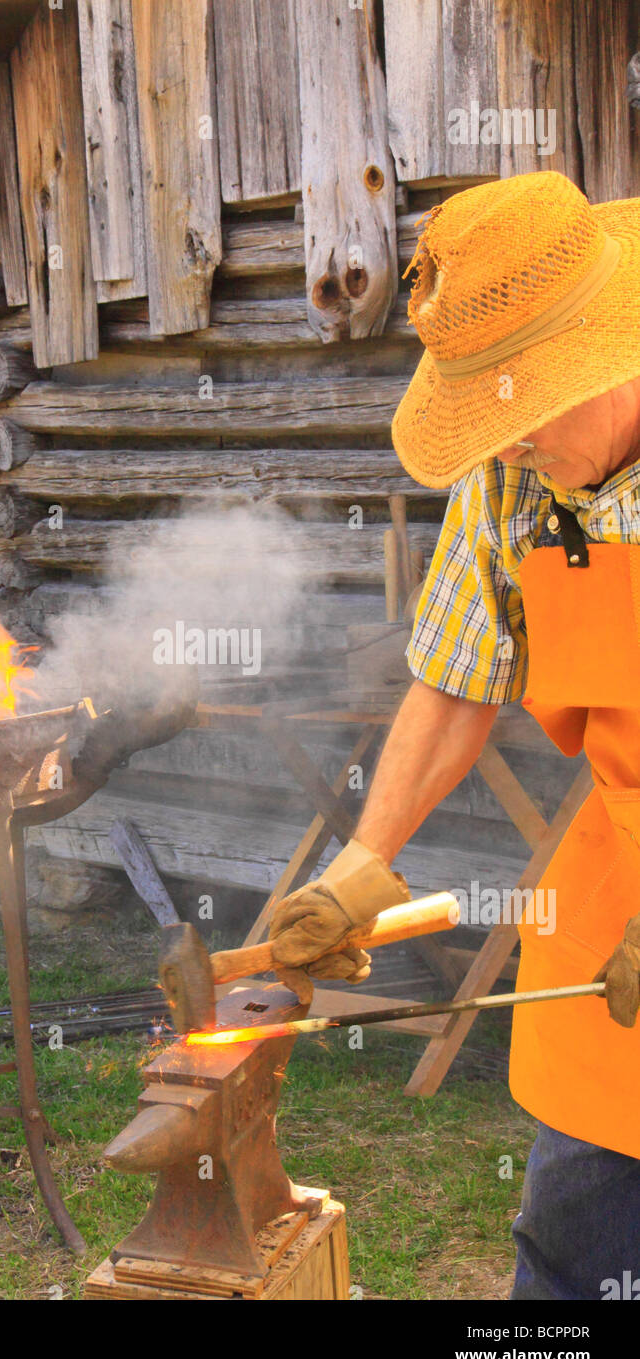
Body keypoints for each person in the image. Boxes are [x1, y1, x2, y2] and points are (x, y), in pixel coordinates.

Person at [267, 171, 640, 1301]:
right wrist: (362, 866)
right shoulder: (511, 469)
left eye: (517, 412)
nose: (505, 445)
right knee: (579, 1231)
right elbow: (453, 677)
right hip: (617, 866)